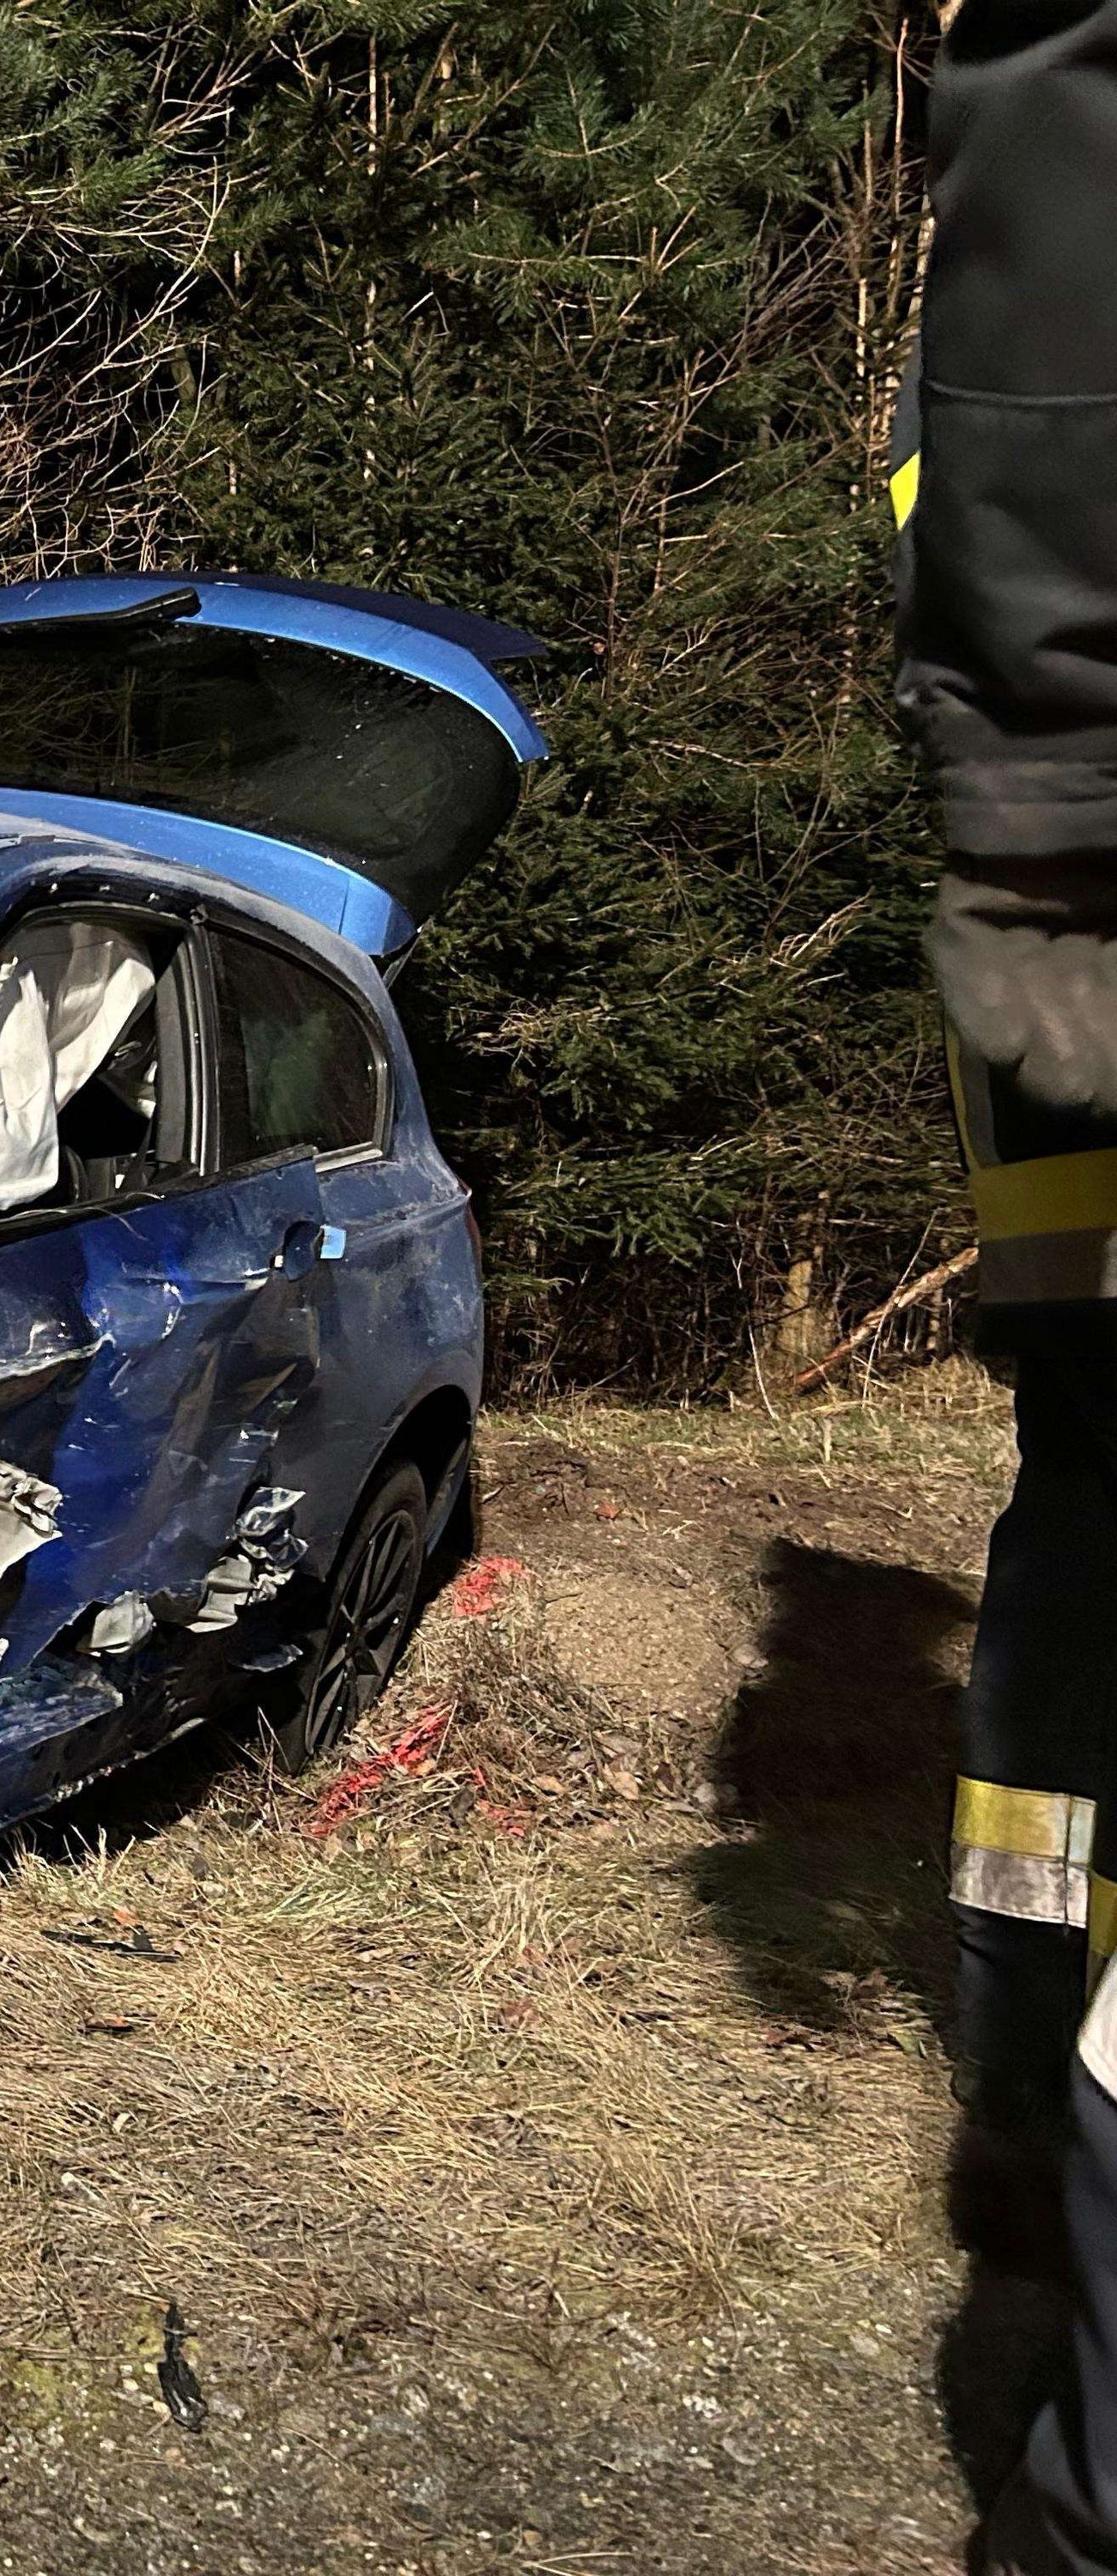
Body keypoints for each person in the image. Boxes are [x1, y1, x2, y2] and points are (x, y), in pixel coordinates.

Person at [894, 5, 1117, 2567]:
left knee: (1073, 1579)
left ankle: (1017, 2070)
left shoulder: (984, 348)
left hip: (1057, 1046)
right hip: (1077, 998)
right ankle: (1023, 2080)